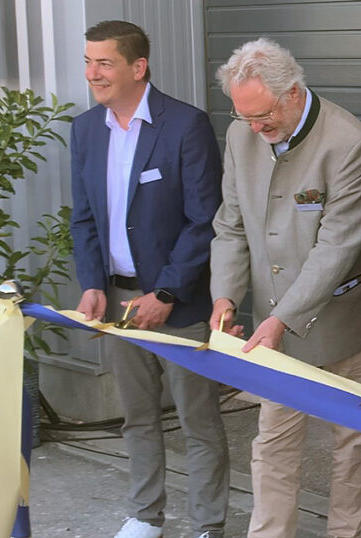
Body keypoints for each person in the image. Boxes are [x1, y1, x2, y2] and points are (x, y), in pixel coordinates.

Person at [209, 38, 361, 538]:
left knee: (351, 441)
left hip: (345, 324)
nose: (256, 129)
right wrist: (224, 294)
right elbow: (232, 226)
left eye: (263, 116)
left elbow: (337, 247)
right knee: (273, 441)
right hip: (273, 328)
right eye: (245, 118)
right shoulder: (241, 137)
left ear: (293, 92)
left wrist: (281, 318)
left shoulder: (349, 142)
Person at [69, 20, 228, 538]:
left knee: (198, 421)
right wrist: (93, 282)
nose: (93, 73)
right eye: (89, 61)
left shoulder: (185, 125)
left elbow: (205, 218)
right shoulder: (86, 129)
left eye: (105, 62)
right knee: (136, 417)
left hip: (177, 304)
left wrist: (166, 291)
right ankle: (145, 515)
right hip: (117, 301)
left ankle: (207, 524)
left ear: (138, 67)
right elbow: (85, 218)